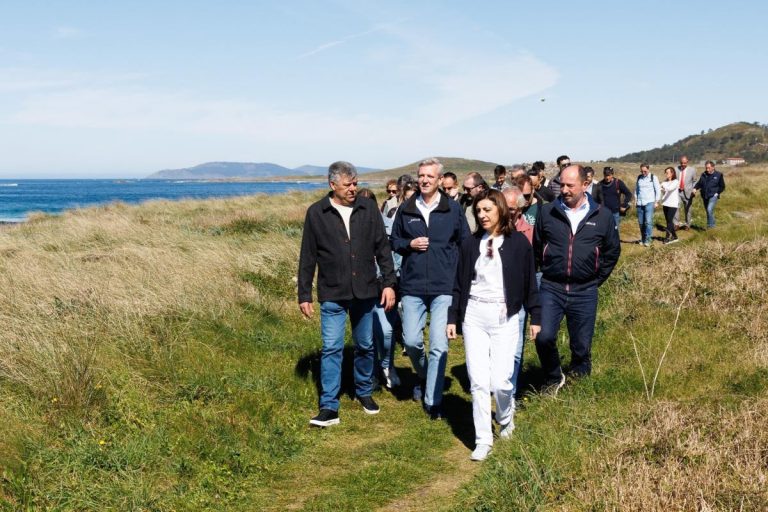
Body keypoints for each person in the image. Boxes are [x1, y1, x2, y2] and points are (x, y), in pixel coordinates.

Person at [298, 161, 397, 427]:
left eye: (355, 183)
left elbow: (383, 248)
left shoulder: (368, 209)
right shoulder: (316, 213)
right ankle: (329, 406)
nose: (353, 188)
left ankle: (364, 391)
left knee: (365, 345)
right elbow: (308, 255)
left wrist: (389, 283)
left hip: (366, 291)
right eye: (347, 184)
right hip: (332, 292)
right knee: (331, 348)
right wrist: (304, 294)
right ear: (333, 185)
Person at [447, 189, 540, 461]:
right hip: (474, 315)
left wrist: (536, 316)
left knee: (501, 382)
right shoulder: (469, 244)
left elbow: (530, 283)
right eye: (478, 211)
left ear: (500, 209)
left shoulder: (519, 243)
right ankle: (483, 439)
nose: (482, 215)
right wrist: (453, 317)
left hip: (504, 316)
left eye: (487, 209)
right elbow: (458, 283)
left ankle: (505, 416)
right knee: (478, 382)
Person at [392, 157, 470, 419]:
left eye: (429, 176)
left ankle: (433, 400)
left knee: (439, 345)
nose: (424, 180)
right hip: (412, 286)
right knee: (412, 341)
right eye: (421, 176)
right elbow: (394, 241)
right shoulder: (406, 208)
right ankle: (426, 376)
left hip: (444, 286)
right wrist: (409, 245)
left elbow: (465, 244)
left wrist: (462, 278)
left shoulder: (453, 209)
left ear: (439, 180)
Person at [533, 165, 621, 393]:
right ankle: (553, 378)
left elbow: (612, 251)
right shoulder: (547, 212)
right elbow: (537, 247)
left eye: (570, 185)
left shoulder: (602, 215)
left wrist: (595, 279)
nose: (564, 190)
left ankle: (579, 386)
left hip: (585, 290)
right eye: (562, 184)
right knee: (543, 337)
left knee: (581, 344)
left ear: (585, 185)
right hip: (551, 287)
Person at [358, 188, 401, 389]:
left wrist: (391, 282)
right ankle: (373, 372)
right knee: (367, 335)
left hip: (386, 287)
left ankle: (387, 365)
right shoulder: (352, 228)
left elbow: (397, 256)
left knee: (386, 332)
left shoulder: (389, 225)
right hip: (363, 290)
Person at [692, 160, 725, 229]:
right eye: (706, 168)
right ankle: (711, 225)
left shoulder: (718, 175)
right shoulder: (704, 174)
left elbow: (722, 186)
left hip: (713, 195)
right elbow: (699, 183)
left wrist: (717, 193)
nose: (707, 169)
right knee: (708, 211)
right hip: (704, 195)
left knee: (709, 209)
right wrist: (695, 188)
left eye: (709, 168)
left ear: (713, 167)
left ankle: (711, 226)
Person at [635, 163, 661, 246]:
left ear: (648, 169)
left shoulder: (653, 177)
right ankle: (643, 239)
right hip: (640, 203)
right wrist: (636, 199)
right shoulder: (639, 178)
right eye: (642, 171)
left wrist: (656, 201)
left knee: (648, 222)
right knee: (641, 223)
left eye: (645, 171)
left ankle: (648, 239)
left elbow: (658, 190)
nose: (643, 173)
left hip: (649, 202)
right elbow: (637, 190)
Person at [675, 156, 697, 230]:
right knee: (676, 207)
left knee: (688, 209)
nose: (683, 164)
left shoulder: (692, 170)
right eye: (682, 163)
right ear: (680, 162)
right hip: (677, 191)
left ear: (687, 162)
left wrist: (694, 189)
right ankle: (676, 224)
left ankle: (687, 224)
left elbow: (694, 181)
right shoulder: (676, 169)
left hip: (688, 192)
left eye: (684, 163)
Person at [659, 166, 680, 244]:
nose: (666, 174)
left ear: (672, 173)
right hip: (665, 203)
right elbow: (660, 189)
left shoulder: (676, 181)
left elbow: (670, 188)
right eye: (665, 173)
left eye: (667, 172)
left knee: (669, 221)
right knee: (668, 221)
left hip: (673, 204)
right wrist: (662, 188)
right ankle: (675, 237)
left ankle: (667, 237)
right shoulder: (665, 182)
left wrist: (663, 186)